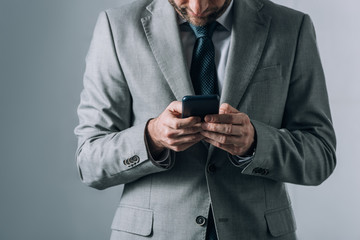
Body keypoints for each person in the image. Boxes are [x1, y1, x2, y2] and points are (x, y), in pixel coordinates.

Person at [74, 0, 336, 239]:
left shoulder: (290, 27)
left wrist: (256, 143)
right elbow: (89, 162)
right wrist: (152, 137)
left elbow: (320, 155)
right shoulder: (117, 27)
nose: (198, 8)